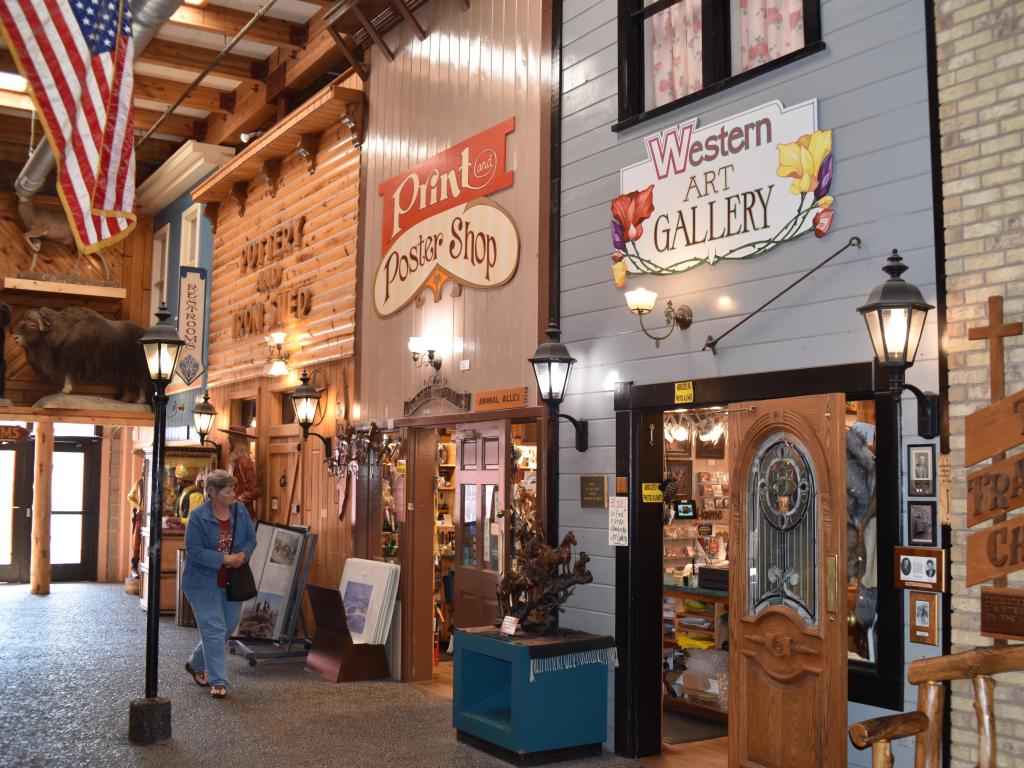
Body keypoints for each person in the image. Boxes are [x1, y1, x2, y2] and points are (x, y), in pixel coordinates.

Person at [181, 469, 257, 699]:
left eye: (233, 489)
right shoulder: (198, 517)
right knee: (213, 629)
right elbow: (193, 551)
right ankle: (219, 681)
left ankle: (196, 662)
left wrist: (243, 556)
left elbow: (251, 539)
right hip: (201, 583)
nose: (234, 493)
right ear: (212, 493)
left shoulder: (240, 511)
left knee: (226, 627)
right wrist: (224, 559)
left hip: (232, 581)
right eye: (228, 490)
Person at [221, 426, 261, 519]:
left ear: (236, 441)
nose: (228, 443)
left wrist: (235, 501)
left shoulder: (243, 461)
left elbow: (255, 490)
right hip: (236, 513)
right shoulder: (235, 461)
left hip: (243, 515)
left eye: (230, 439)